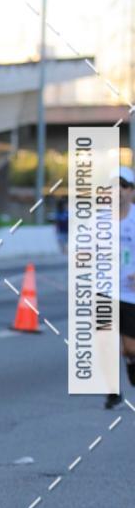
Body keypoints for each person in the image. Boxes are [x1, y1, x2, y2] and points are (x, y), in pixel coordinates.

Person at [105, 166, 135, 409]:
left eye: (124, 186)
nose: (119, 192)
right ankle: (113, 392)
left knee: (129, 347)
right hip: (105, 290)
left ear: (132, 191)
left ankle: (132, 364)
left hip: (130, 293)